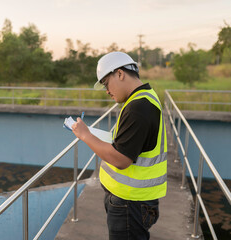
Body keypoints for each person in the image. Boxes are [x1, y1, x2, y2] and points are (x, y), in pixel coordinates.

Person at [71, 52, 167, 240]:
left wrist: (86, 135)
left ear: (120, 74)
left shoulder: (138, 107)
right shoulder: (144, 97)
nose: (107, 91)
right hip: (131, 201)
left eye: (106, 83)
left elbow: (121, 159)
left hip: (130, 203)